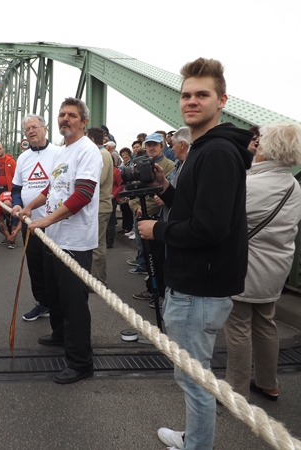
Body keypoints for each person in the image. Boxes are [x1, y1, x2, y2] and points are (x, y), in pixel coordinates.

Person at [137, 57, 254, 450]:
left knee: (194, 378)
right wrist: (166, 190)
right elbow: (198, 210)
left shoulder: (216, 152)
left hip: (197, 288)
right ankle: (195, 438)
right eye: (186, 94)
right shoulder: (204, 149)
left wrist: (158, 230)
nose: (191, 101)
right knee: (193, 374)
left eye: (202, 94)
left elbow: (211, 228)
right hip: (199, 283)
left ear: (222, 100)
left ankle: (197, 445)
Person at [17, 98, 102, 384]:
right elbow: (51, 188)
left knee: (74, 303)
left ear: (84, 121)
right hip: (55, 238)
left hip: (74, 242)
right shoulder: (63, 151)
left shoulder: (88, 150)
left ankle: (81, 363)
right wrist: (30, 207)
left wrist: (47, 220)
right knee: (55, 295)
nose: (65, 119)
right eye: (62, 114)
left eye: (72, 115)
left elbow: (83, 194)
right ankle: (59, 335)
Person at [224, 122, 301, 400]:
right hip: (276, 268)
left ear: (269, 148)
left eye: (260, 141)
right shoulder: (293, 185)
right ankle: (269, 383)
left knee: (238, 327)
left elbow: (226, 223)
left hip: (246, 266)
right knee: (266, 323)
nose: (256, 145)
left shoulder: (251, 184)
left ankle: (236, 391)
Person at [11, 114, 61, 321]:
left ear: (45, 129)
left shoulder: (58, 153)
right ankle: (43, 303)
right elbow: (16, 188)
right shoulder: (23, 158)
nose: (31, 131)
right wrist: (16, 203)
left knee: (55, 267)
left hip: (53, 222)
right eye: (27, 129)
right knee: (35, 265)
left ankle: (58, 305)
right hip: (29, 223)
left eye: (34, 127)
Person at [128, 133, 174, 275]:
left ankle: (155, 277)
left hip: (156, 215)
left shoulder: (169, 165)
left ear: (162, 146)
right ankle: (144, 267)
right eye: (149, 145)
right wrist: (136, 207)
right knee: (141, 244)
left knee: (157, 252)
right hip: (139, 213)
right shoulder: (139, 165)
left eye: (155, 145)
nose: (152, 148)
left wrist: (146, 209)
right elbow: (133, 189)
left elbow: (165, 193)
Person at [86, 127, 113, 283]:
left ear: (91, 140)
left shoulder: (101, 155)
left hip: (100, 206)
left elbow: (97, 181)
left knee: (97, 244)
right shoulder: (104, 153)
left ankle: (97, 279)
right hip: (102, 205)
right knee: (97, 243)